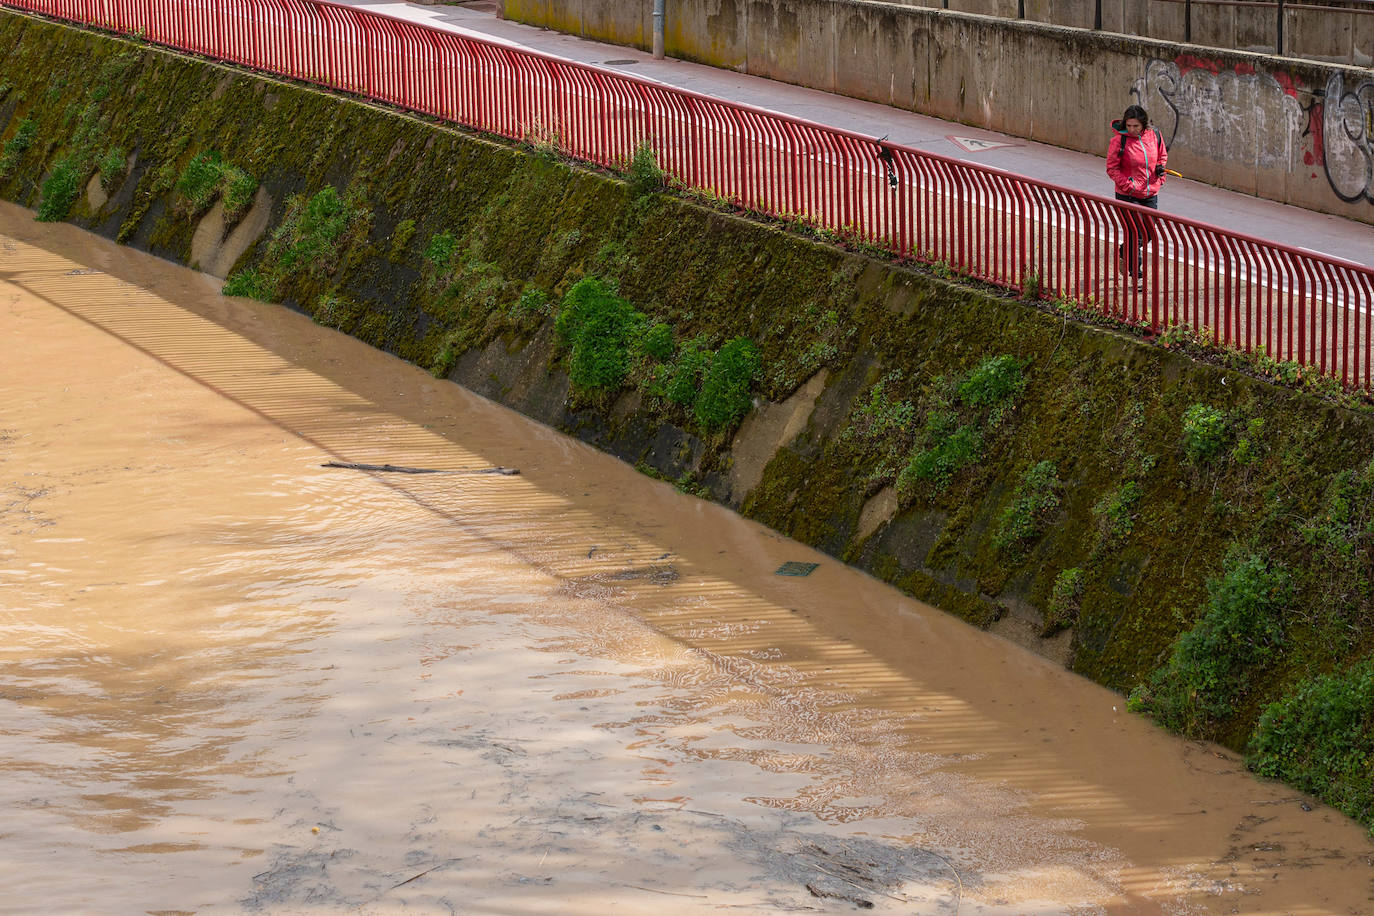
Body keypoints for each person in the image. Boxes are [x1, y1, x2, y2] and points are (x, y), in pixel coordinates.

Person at [1106, 105, 1168, 290]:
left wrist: (1160, 173)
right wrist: (1129, 185)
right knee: (1136, 233)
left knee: (1148, 233)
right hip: (1128, 195)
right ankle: (1136, 274)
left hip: (1150, 192)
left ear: (1144, 125)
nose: (1132, 130)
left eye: (1136, 126)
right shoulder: (1119, 141)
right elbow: (1112, 168)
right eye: (1129, 125)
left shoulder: (1154, 135)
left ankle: (1124, 252)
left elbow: (1162, 156)